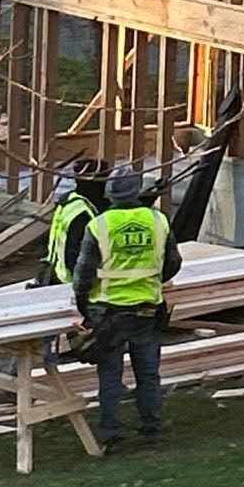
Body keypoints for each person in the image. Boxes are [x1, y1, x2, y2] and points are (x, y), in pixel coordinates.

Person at [72, 161, 181, 452]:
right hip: (147, 310)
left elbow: (83, 274)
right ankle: (151, 431)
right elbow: (173, 264)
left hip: (108, 314)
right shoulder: (158, 221)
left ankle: (111, 436)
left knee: (110, 376)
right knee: (148, 374)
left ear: (109, 194)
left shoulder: (99, 225)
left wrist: (83, 308)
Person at [36, 158, 108, 288]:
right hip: (68, 281)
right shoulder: (82, 214)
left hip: (53, 272)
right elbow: (73, 256)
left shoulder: (69, 201)